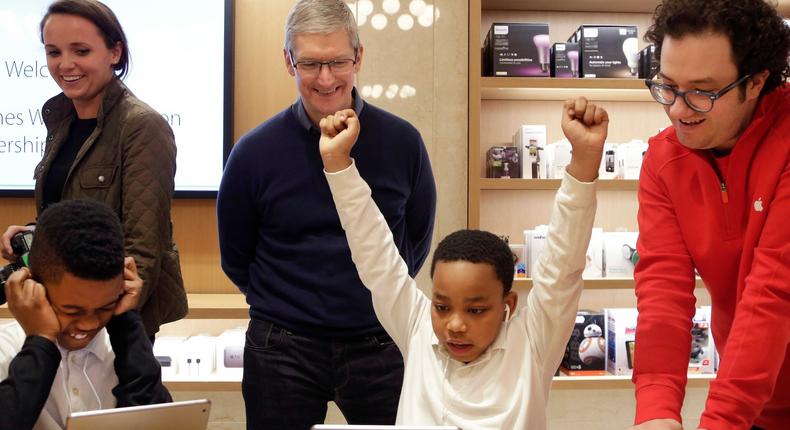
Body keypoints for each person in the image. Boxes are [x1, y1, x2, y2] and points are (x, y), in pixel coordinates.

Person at [316, 95, 606, 428]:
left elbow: (563, 266)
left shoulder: (532, 342)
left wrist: (584, 160)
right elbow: (375, 255)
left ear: (507, 305)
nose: (454, 325)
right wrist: (338, 162)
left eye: (476, 310)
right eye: (442, 306)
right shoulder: (417, 329)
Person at [216, 0, 436, 426]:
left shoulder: (402, 142)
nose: (326, 78)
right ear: (288, 61)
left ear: (358, 57)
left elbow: (415, 240)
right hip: (282, 345)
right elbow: (236, 256)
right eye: (311, 64)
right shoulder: (253, 153)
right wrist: (289, 303)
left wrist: (381, 301)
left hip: (381, 339)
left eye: (337, 61)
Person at [631, 1, 790, 429]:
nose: (679, 110)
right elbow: (663, 289)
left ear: (755, 82)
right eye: (667, 86)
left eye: (702, 92)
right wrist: (656, 411)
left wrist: (719, 421)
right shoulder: (663, 160)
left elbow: (774, 294)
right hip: (760, 406)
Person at [0, 0, 186, 337]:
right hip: (62, 310)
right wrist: (34, 234)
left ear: (115, 52)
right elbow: (76, 218)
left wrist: (94, 320)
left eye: (81, 51)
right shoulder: (61, 120)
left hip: (109, 320)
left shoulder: (142, 126)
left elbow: (142, 250)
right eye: (53, 52)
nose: (65, 64)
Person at [0, 199, 172, 430]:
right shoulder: (5, 351)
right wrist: (40, 342)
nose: (89, 323)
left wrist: (126, 324)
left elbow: (156, 422)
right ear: (33, 288)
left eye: (105, 307)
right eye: (72, 310)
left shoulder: (123, 347)